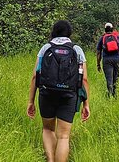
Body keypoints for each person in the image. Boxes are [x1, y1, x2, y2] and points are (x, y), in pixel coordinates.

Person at [27, 20, 90, 162]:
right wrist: (86, 104)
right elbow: (84, 79)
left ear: (53, 32)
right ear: (69, 33)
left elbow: (35, 75)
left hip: (46, 94)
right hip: (69, 96)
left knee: (48, 130)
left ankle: (50, 160)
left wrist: (31, 101)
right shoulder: (76, 50)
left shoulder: (45, 48)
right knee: (64, 136)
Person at [96, 22, 119, 98]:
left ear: (105, 30)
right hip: (117, 59)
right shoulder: (116, 37)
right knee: (116, 78)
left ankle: (109, 96)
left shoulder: (102, 38)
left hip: (106, 61)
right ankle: (115, 95)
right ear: (112, 29)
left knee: (109, 78)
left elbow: (98, 53)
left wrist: (98, 64)